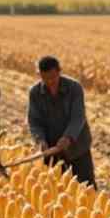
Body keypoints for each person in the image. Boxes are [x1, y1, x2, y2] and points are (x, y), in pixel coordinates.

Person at [27, 55, 95, 188]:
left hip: (77, 147)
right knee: (57, 188)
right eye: (45, 78)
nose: (50, 81)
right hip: (52, 149)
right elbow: (34, 121)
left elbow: (78, 117)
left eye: (53, 77)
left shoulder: (74, 88)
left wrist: (68, 137)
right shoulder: (35, 92)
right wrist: (40, 140)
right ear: (39, 74)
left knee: (86, 187)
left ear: (59, 71)